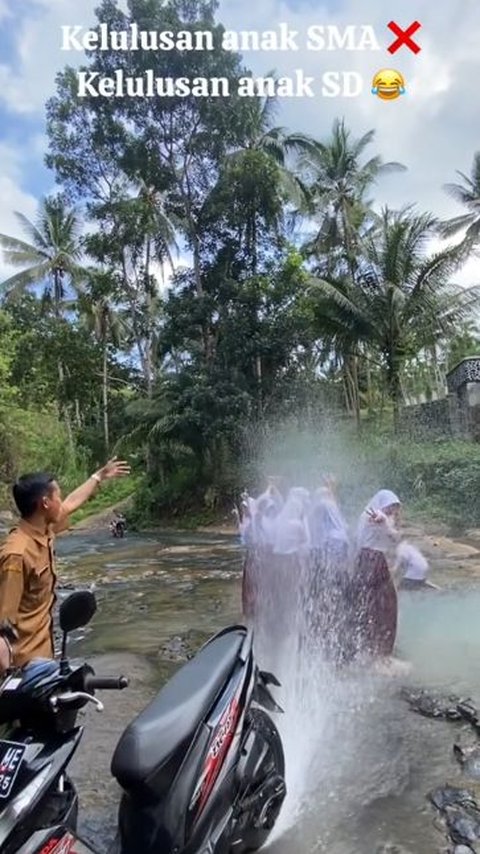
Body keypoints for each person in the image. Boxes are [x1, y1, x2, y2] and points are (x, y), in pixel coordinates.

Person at [0, 457, 130, 674]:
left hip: (44, 658)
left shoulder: (44, 530)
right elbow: (3, 621)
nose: (61, 501)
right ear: (45, 503)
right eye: (57, 496)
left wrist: (98, 477)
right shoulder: (16, 554)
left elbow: (71, 504)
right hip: (22, 668)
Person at [351, 489, 402, 660]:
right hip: (373, 560)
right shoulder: (376, 514)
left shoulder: (375, 516)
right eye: (391, 507)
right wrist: (383, 520)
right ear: (383, 504)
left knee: (372, 604)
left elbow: (392, 537)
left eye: (395, 508)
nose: (393, 511)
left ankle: (370, 648)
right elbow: (391, 533)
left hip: (368, 560)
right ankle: (379, 652)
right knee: (382, 605)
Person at [307, 486, 352, 664]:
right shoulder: (334, 514)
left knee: (325, 597)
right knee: (335, 598)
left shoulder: (322, 508)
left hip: (330, 558)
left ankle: (326, 642)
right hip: (337, 556)